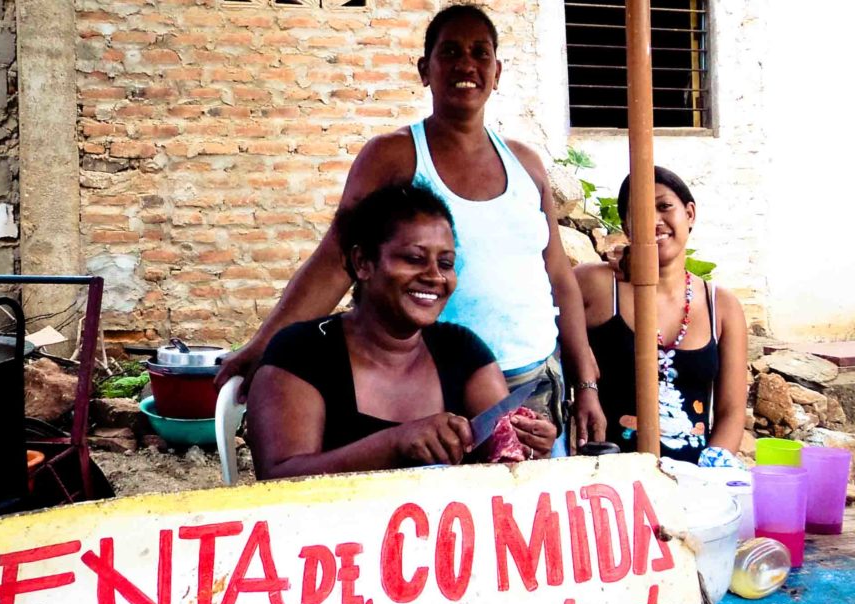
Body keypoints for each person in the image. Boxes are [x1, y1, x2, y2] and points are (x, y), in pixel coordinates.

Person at [217, 3, 605, 454]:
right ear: (425, 69)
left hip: (532, 389)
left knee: (526, 512)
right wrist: (264, 343)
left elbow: (559, 277)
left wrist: (586, 383)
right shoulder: (393, 157)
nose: (466, 64)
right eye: (450, 52)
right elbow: (335, 260)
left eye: (480, 53)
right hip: (440, 390)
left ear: (497, 72)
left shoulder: (527, 164)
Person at [247, 184, 557, 480]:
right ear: (363, 262)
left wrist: (526, 446)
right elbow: (278, 479)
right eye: (413, 259)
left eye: (446, 263)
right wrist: (393, 445)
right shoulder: (303, 353)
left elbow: (501, 457)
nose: (435, 276)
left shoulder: (462, 351)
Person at [574, 167, 748, 464]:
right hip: (609, 486)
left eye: (664, 206)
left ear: (690, 214)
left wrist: (710, 470)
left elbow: (731, 412)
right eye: (639, 211)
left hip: (692, 482)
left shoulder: (722, 306)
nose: (654, 220)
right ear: (627, 227)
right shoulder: (597, 285)